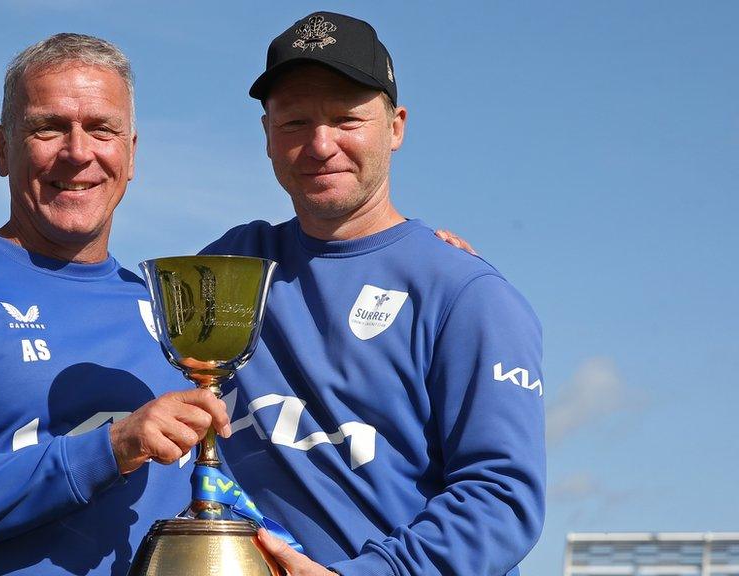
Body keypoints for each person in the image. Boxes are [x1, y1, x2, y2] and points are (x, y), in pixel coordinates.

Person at [0, 33, 231, 575]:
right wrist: (113, 446)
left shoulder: (169, 312)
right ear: (3, 149)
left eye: (102, 129)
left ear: (131, 153)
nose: (78, 153)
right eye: (48, 127)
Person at [202, 12, 545, 575]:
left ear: (396, 126)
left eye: (347, 119)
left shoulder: (466, 293)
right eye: (294, 122)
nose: (320, 144)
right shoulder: (228, 266)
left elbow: (501, 498)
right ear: (266, 133)